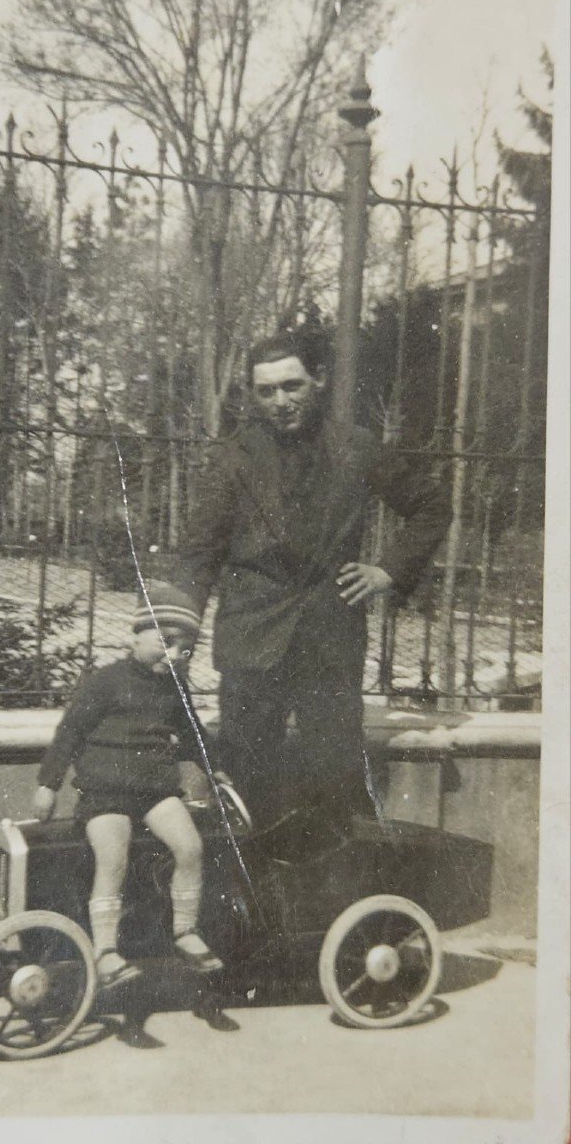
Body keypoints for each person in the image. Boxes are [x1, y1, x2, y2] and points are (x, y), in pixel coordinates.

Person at [174, 323, 452, 836]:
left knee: (336, 780)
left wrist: (387, 570)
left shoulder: (358, 447)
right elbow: (199, 550)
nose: (280, 401)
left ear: (317, 380)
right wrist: (176, 622)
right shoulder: (234, 457)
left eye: (291, 386)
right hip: (253, 640)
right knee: (243, 782)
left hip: (330, 638)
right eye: (266, 391)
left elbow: (431, 505)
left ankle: (328, 906)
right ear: (253, 394)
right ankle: (248, 906)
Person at [32, 581, 228, 989]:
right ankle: (105, 951)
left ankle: (185, 932)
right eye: (165, 641)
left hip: (155, 791)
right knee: (113, 857)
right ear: (137, 633)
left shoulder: (174, 688)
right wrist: (48, 784)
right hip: (105, 793)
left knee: (190, 847)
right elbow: (70, 732)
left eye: (184, 649)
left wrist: (216, 769)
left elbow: (193, 736)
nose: (174, 655)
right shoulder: (105, 682)